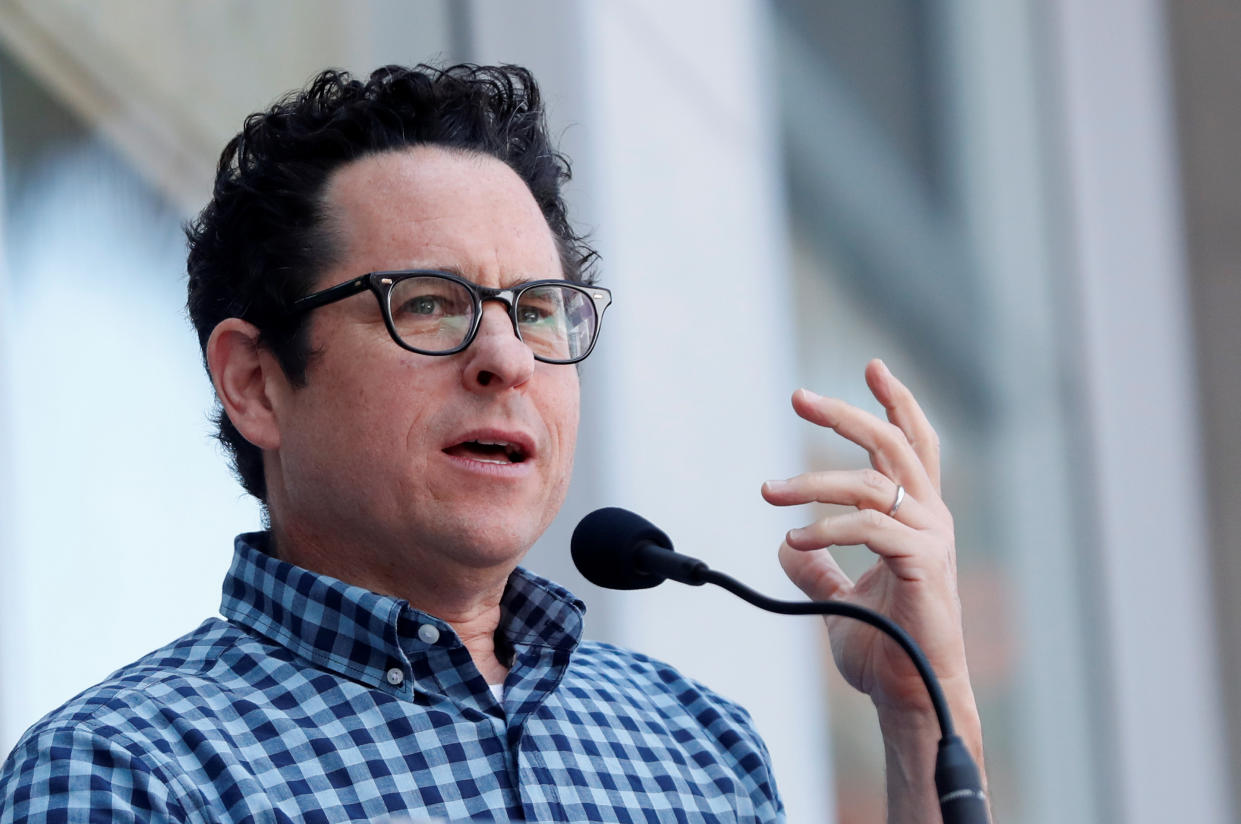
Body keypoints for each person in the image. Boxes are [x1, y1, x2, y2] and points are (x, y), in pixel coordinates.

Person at [0, 64, 986, 823]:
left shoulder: (695, 743)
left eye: (537, 310)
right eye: (427, 304)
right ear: (257, 383)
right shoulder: (126, 772)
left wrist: (915, 710)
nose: (504, 359)